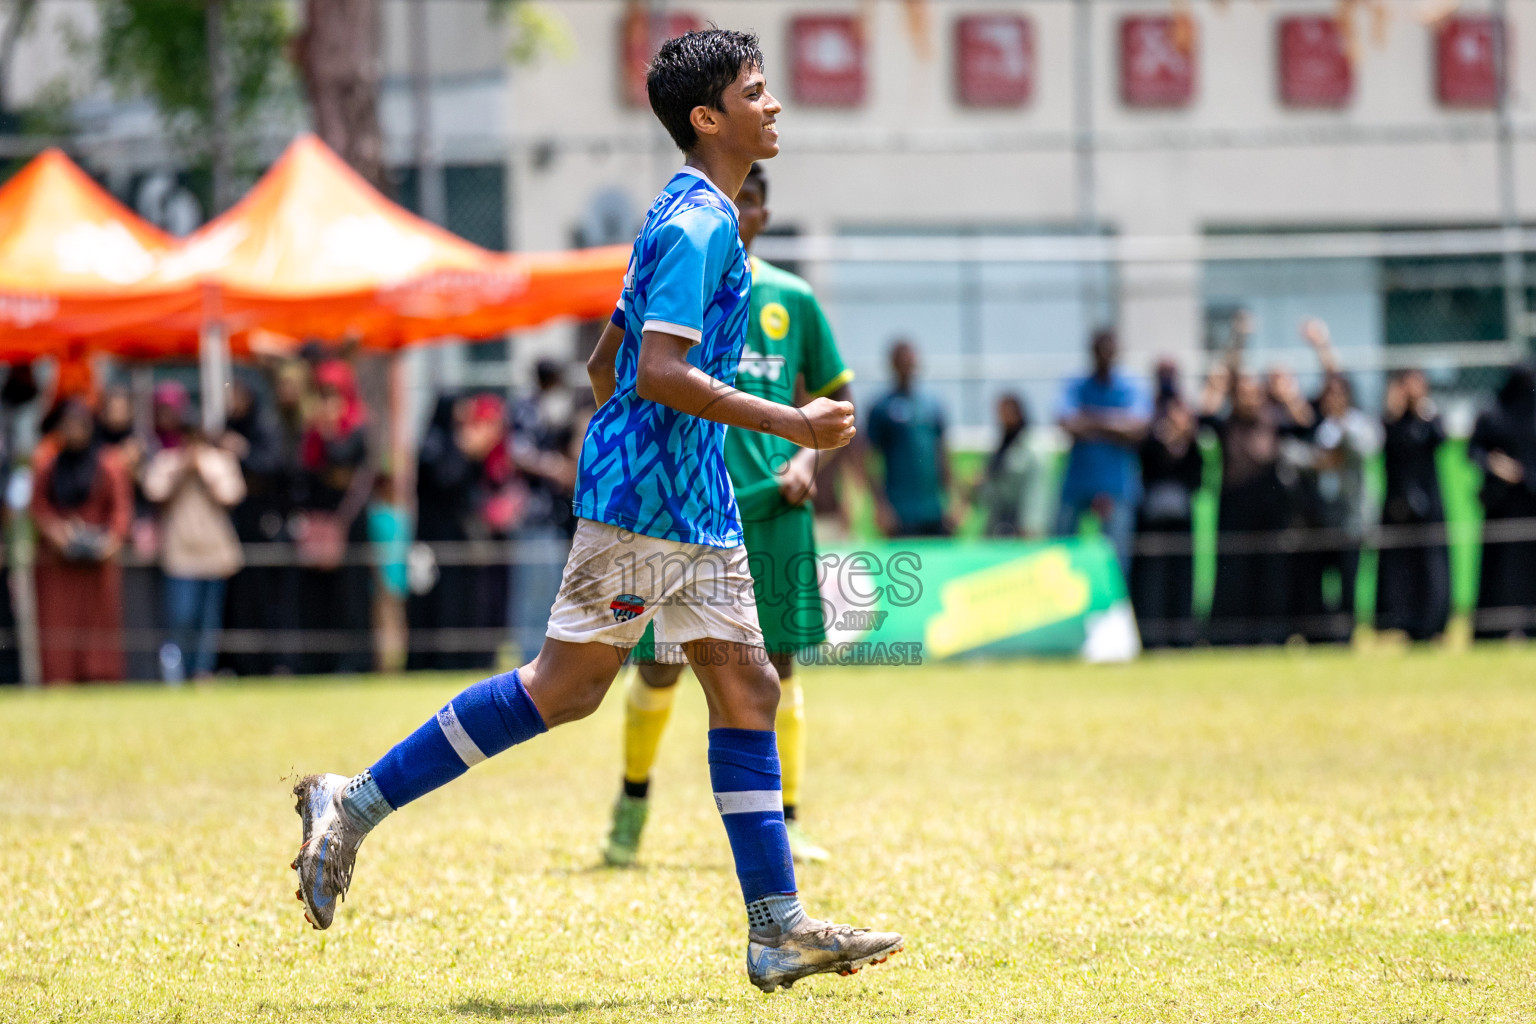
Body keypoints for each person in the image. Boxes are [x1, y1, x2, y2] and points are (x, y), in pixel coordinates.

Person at [288, 30, 901, 994]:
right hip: (649, 505)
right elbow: (652, 372)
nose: (774, 104)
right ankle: (352, 802)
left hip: (690, 504)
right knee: (564, 689)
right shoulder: (702, 226)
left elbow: (603, 364)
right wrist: (793, 423)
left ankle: (778, 929)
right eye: (756, 89)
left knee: (749, 693)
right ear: (708, 118)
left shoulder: (684, 211)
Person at [602, 161, 856, 870]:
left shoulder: (791, 298)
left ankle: (791, 819)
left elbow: (834, 403)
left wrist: (808, 460)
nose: (734, 214)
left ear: (763, 215)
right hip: (685, 508)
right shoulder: (682, 284)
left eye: (746, 202)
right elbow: (622, 368)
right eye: (728, 200)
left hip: (773, 512)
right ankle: (631, 806)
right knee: (657, 668)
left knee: (775, 669)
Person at [1201, 312, 1314, 646]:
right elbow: (1211, 397)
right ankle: (1230, 637)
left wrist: (1288, 391)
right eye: (1243, 391)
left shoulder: (1275, 418)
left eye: (1255, 391)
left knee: (1272, 572)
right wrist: (1237, 340)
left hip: (1270, 504)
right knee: (1233, 573)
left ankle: (1272, 635)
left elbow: (1308, 423)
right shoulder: (1226, 423)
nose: (1249, 397)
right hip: (1234, 504)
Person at [1289, 320, 1380, 645]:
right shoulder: (1320, 425)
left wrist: (1323, 345)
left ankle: (1348, 635)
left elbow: (1364, 447)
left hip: (1351, 519)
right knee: (1318, 580)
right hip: (1320, 517)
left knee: (1350, 579)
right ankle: (1323, 634)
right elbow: (1305, 457)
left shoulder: (1357, 424)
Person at [31, 399, 132, 683]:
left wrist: (110, 541)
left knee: (99, 625)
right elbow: (38, 506)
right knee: (57, 622)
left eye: (79, 425)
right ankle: (59, 677)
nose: (73, 431)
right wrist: (57, 533)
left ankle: (101, 677)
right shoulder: (48, 466)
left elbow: (121, 508)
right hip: (58, 561)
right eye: (68, 425)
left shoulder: (108, 464)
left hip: (98, 562)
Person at [142, 411, 246, 682]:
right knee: (181, 617)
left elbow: (232, 496)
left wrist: (203, 473)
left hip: (215, 551)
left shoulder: (220, 461)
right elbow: (154, 493)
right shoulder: (167, 461)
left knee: (208, 622)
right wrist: (181, 473)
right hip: (180, 552)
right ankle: (177, 672)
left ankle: (202, 672)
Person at [292, 359, 374, 674]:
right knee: (316, 597)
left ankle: (353, 663)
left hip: (350, 526)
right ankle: (318, 662)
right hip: (319, 528)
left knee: (351, 597)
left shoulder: (357, 428)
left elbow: (342, 462)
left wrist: (327, 434)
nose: (326, 404)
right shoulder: (311, 433)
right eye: (321, 396)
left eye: (332, 395)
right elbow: (307, 474)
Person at [220, 376, 300, 675]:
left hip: (267, 526)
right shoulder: (227, 429)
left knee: (271, 600)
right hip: (236, 526)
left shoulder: (266, 430)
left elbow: (273, 466)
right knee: (240, 600)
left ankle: (276, 662)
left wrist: (243, 452)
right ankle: (241, 664)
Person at [1054, 329, 1150, 573]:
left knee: (1116, 562)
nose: (1105, 357)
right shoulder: (1076, 384)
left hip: (1117, 486)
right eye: (1100, 351)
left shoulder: (1131, 385)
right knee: (1062, 557)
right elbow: (1065, 423)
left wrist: (1089, 419)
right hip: (1077, 484)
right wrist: (1114, 424)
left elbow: (1136, 429)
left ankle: (1114, 611)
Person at [1130, 362, 1203, 648]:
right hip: (1151, 520)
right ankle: (1152, 638)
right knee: (1151, 580)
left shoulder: (1191, 436)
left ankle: (1182, 637)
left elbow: (1197, 479)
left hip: (1181, 519)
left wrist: (1183, 439)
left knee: (1181, 578)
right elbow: (1144, 466)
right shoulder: (1147, 423)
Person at [1376, 369, 1451, 642]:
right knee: (1399, 567)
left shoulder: (1430, 417)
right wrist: (1393, 412)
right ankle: (1401, 622)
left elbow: (1440, 438)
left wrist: (1422, 411)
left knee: (1432, 566)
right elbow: (1384, 445)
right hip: (1397, 504)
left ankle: (1433, 623)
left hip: (1429, 504)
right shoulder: (1392, 420)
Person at [1470, 364, 1536, 639]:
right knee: (1499, 567)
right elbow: (1475, 450)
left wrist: (1524, 475)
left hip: (1531, 504)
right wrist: (1495, 465)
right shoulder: (1492, 413)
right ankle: (1495, 628)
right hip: (1501, 505)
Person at [867, 340, 950, 536]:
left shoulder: (932, 405)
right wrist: (880, 505)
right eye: (902, 361)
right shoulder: (881, 408)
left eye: (911, 361)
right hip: (900, 512)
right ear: (893, 365)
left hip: (933, 509)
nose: (908, 366)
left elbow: (942, 454)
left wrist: (951, 500)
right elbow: (869, 460)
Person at [974, 393, 1039, 538]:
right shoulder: (1000, 446)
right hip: (997, 522)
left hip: (1020, 524)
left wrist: (1031, 524)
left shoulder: (1031, 448)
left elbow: (1036, 489)